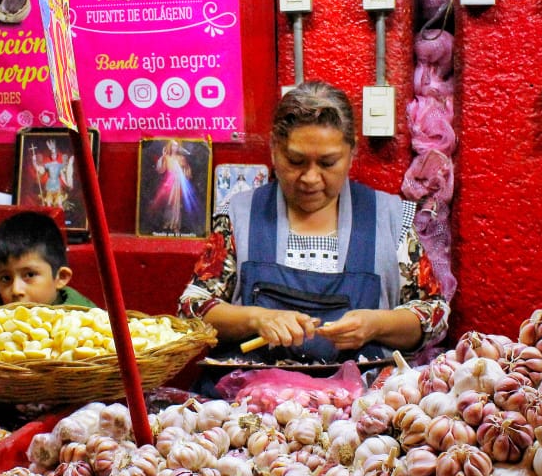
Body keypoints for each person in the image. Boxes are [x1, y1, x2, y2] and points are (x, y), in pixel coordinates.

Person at [179, 81, 449, 363]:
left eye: (328, 163)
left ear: (352, 152)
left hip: (358, 401)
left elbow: (435, 316)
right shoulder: (239, 216)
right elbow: (192, 309)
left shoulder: (390, 219)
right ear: (274, 148)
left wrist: (377, 325)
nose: (310, 178)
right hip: (249, 398)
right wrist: (256, 319)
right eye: (295, 161)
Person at [0, 211, 93, 307]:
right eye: (6, 278)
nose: (16, 290)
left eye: (30, 275)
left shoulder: (83, 324)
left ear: (61, 277)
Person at [151, 139, 198, 235]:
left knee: (177, 205)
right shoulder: (167, 158)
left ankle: (176, 225)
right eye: (173, 145)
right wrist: (163, 157)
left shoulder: (181, 158)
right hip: (168, 183)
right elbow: (161, 169)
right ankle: (167, 223)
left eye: (176, 146)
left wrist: (185, 169)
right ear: (170, 146)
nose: (174, 148)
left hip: (178, 183)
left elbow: (187, 170)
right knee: (168, 203)